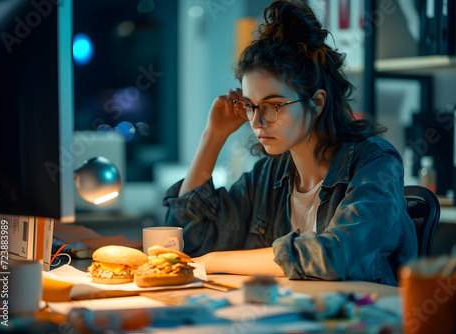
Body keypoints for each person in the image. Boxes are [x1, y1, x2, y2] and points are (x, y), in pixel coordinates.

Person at [163, 0, 417, 286]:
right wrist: (212, 137)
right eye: (250, 106)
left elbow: (335, 256)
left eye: (273, 105)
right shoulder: (268, 174)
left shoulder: (375, 163)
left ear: (317, 102)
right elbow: (189, 241)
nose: (257, 121)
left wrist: (213, 261)